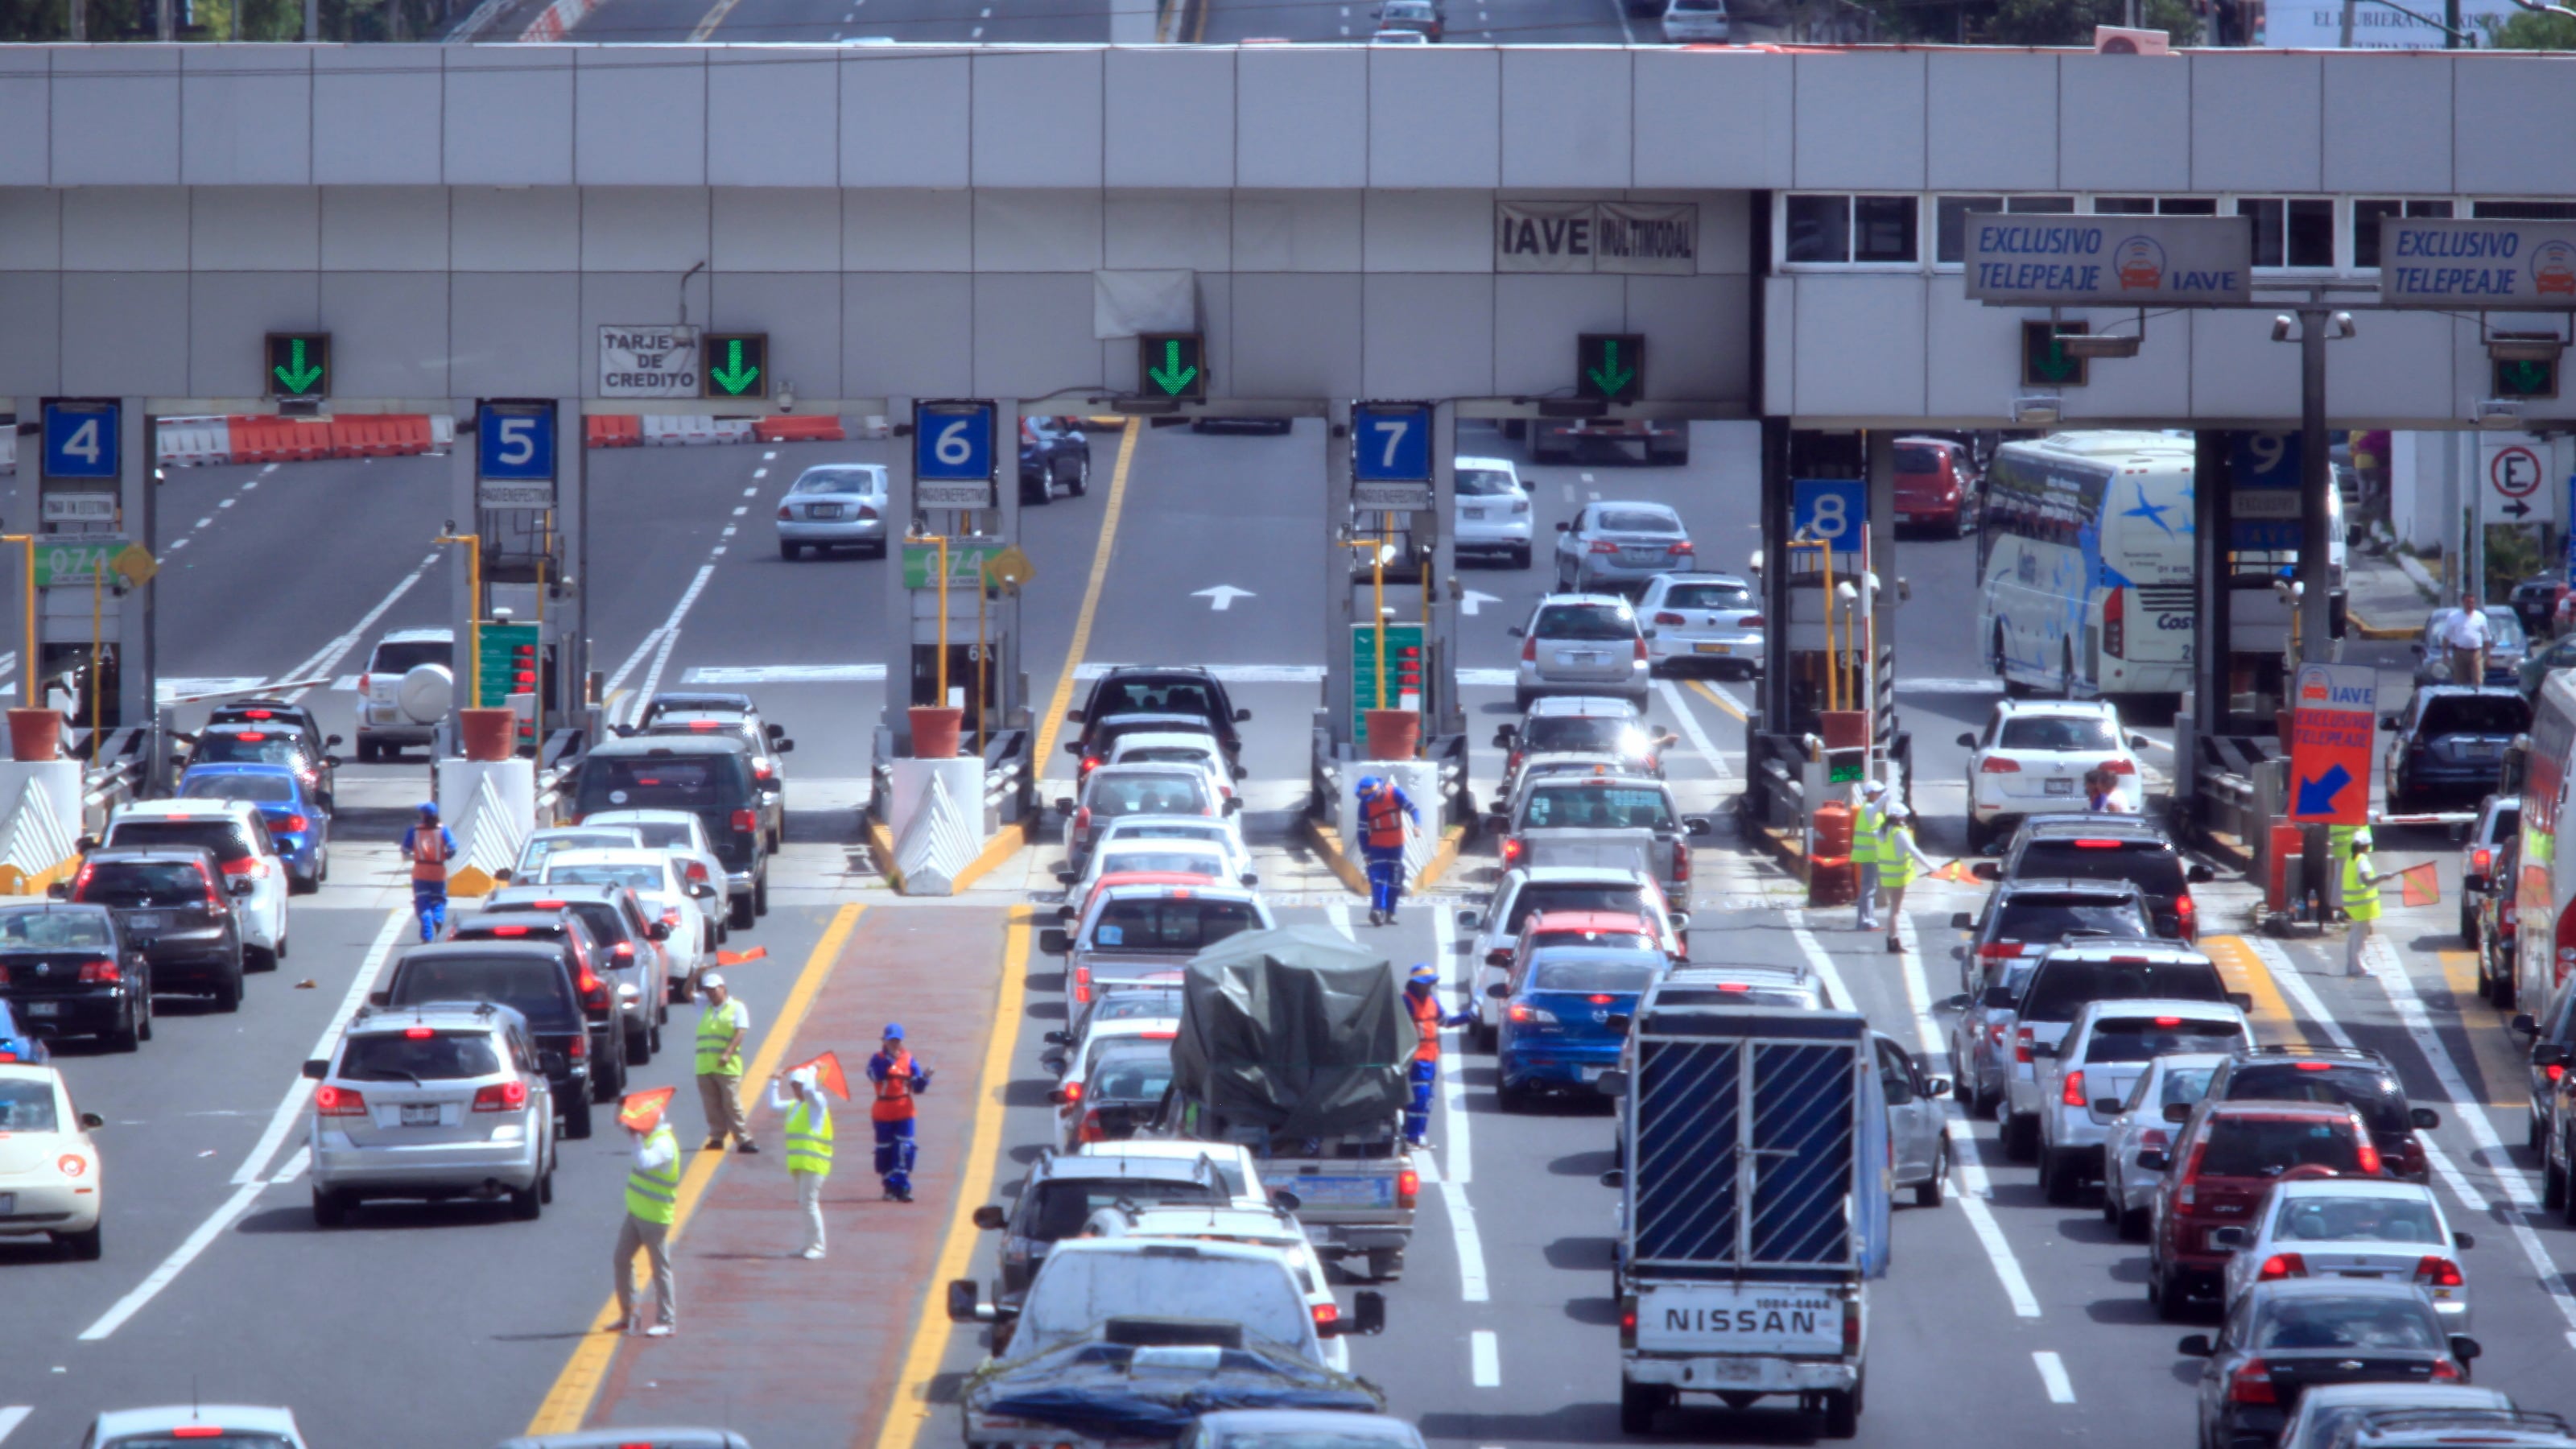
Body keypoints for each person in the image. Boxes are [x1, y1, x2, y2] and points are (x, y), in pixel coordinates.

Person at [615, 1101, 680, 1337]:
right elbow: (621, 1124)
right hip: (637, 1213)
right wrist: (622, 1109)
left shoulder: (664, 1145)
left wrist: (634, 1138)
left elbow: (644, 1162)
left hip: (655, 1218)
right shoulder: (649, 1137)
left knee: (660, 1268)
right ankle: (629, 1315)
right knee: (621, 1259)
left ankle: (667, 1320)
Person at [1402, 964, 1474, 1148]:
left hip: (1430, 1058)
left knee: (1428, 1099)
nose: (1428, 986)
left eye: (1430, 983)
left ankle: (1419, 1135)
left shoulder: (1432, 1001)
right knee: (1419, 1097)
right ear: (1416, 984)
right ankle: (1411, 1136)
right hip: (1415, 1059)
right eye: (1425, 983)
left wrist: (1469, 1016)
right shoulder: (1406, 1001)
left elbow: (1446, 1021)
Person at [769, 1066, 833, 1259]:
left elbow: (810, 1091)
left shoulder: (817, 1102)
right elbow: (773, 1105)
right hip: (799, 1163)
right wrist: (774, 1082)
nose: (796, 1089)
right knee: (805, 1204)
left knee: (809, 1203)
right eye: (794, 1085)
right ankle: (808, 1245)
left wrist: (812, 1071)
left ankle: (818, 1247)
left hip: (814, 1162)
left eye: (799, 1085)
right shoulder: (794, 1106)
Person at [868, 1024, 931, 1202]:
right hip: (883, 1113)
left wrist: (925, 1078)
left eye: (897, 1041)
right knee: (885, 1149)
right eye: (891, 1041)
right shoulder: (877, 1059)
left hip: (905, 1112)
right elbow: (875, 1076)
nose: (894, 1044)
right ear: (884, 1041)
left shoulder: (909, 1060)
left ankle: (903, 1187)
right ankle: (889, 1186)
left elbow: (917, 1088)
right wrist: (890, 1061)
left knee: (905, 1148)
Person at [694, 972, 755, 1153]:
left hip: (727, 1066)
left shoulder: (736, 1007)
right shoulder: (705, 1007)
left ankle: (744, 1139)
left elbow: (741, 1032)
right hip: (705, 1065)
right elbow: (686, 992)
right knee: (711, 1105)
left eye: (714, 989)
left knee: (732, 1104)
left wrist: (727, 1053)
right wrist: (697, 973)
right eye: (707, 990)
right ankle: (717, 1137)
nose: (711, 993)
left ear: (723, 988)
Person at [1874, 803, 1938, 954]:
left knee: (1893, 909)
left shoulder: (1881, 832)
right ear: (1899, 817)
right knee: (1895, 911)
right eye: (1903, 816)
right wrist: (1930, 866)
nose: (1905, 818)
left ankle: (1892, 940)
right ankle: (1893, 941)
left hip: (1886, 875)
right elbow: (1914, 851)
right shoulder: (1899, 833)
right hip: (1898, 876)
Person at [1357, 775, 1420, 928]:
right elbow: (1362, 831)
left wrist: (1417, 825)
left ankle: (1391, 912)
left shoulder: (1395, 794)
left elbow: (1413, 810)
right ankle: (1378, 910)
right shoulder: (1364, 805)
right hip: (1376, 845)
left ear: (1379, 789)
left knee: (1395, 879)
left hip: (1396, 845)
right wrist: (1366, 853)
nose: (1371, 799)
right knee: (1378, 878)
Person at [2342, 827, 2404, 979]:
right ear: (2366, 846)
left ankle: (2352, 965)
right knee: (2359, 937)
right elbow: (2367, 881)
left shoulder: (2351, 858)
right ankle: (2358, 968)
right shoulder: (2362, 860)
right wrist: (2383, 876)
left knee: (2354, 935)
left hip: (2352, 903)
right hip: (2362, 904)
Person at [399, 803, 458, 943]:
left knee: (422, 903)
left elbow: (405, 849)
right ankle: (438, 918)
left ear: (423, 816)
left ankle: (427, 935)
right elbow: (453, 847)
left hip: (420, 871)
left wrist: (412, 854)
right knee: (439, 899)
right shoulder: (443, 830)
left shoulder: (414, 830)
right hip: (438, 872)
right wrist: (447, 856)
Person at [1849, 779, 1888, 931]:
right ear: (1871, 794)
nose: (1880, 795)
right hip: (1868, 855)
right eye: (1878, 793)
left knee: (1868, 888)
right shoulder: (1870, 809)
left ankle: (1865, 921)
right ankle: (1867, 921)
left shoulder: (1871, 811)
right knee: (1868, 889)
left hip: (1870, 855)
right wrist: (1886, 797)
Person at [2440, 594, 2491, 685]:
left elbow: (2486, 638)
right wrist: (2445, 654)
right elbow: (2446, 637)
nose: (2470, 605)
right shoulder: (2453, 617)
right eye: (2468, 602)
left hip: (2476, 653)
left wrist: (2488, 656)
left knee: (2478, 680)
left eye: (2472, 603)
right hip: (2459, 653)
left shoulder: (2480, 617)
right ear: (2463, 603)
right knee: (2460, 681)